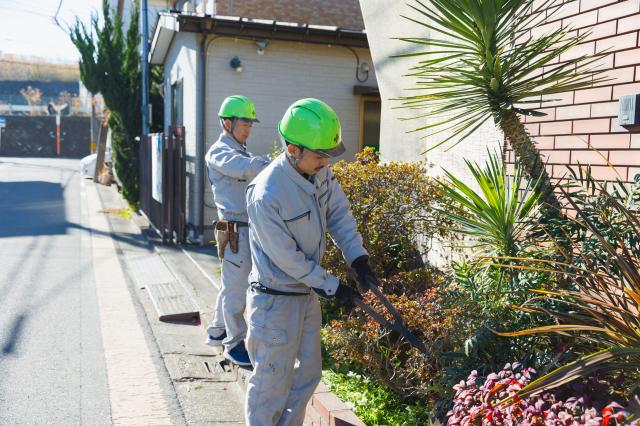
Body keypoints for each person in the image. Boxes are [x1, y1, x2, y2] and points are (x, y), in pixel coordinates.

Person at [244, 98, 377, 425]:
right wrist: (333, 286)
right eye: (320, 156)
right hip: (274, 302)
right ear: (293, 150)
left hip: (305, 297)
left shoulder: (320, 175)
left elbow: (339, 215)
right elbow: (288, 259)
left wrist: (358, 257)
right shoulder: (266, 194)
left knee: (309, 376)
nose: (326, 164)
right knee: (270, 386)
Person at [204, 95, 270, 367]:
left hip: (241, 228)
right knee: (236, 287)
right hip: (234, 229)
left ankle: (217, 331)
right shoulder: (220, 152)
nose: (248, 129)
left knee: (230, 283)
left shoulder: (239, 150)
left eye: (250, 124)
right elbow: (247, 169)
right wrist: (277, 164)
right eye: (244, 123)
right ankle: (233, 344)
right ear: (227, 123)